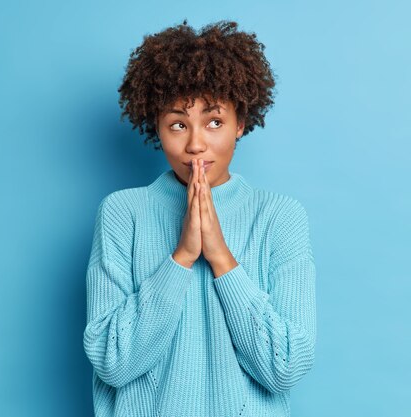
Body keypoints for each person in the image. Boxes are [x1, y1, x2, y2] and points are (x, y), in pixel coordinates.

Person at [83, 19, 317, 417]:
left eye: (214, 122)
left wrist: (221, 258)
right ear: (156, 128)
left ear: (240, 123)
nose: (195, 144)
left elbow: (286, 366)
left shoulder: (280, 216)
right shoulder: (122, 213)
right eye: (178, 124)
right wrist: (182, 257)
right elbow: (113, 362)